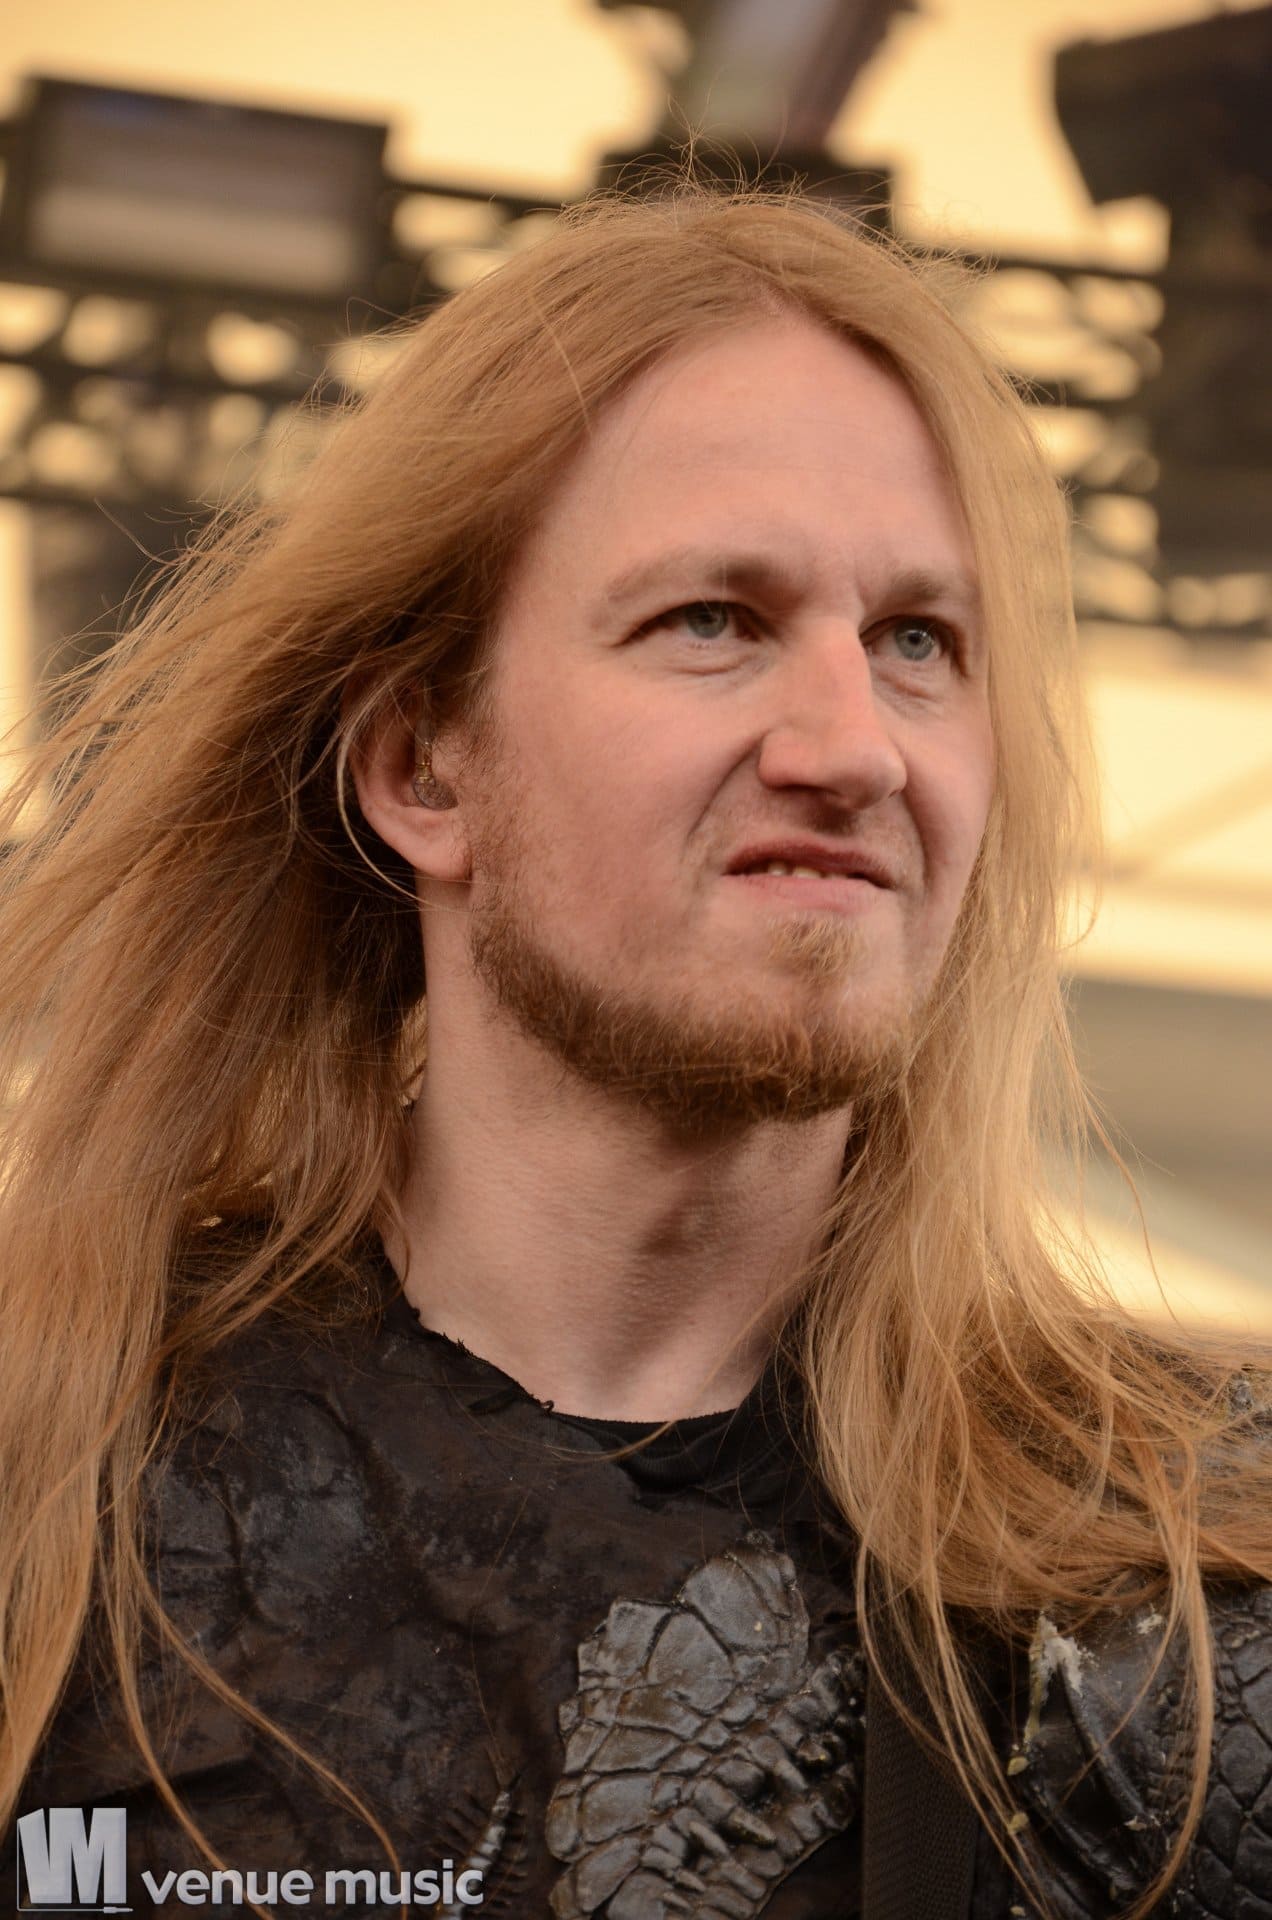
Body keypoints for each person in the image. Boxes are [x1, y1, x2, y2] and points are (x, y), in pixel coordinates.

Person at [1, 180, 1269, 1920]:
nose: (855, 747)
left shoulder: (1191, 1588)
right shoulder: (49, 1464)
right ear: (423, 767)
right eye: (714, 621)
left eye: (917, 641)